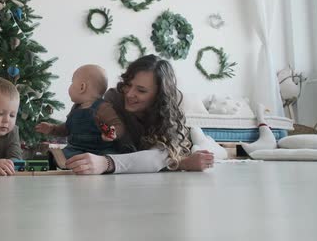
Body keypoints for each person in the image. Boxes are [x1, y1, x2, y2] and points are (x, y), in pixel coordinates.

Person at [63, 55, 214, 174]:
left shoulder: (168, 115)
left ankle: (203, 140)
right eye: (128, 85)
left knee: (203, 145)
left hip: (179, 144)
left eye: (141, 91)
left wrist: (106, 163)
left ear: (159, 96)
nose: (129, 94)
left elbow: (158, 156)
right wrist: (181, 163)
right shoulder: (113, 100)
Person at [35, 64, 124, 161]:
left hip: (99, 151)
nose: (70, 86)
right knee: (58, 155)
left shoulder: (103, 107)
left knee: (110, 157)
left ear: (82, 87)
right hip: (75, 149)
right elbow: (67, 128)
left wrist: (112, 133)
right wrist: (52, 129)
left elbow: (118, 125)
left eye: (72, 82)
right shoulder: (76, 108)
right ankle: (61, 161)